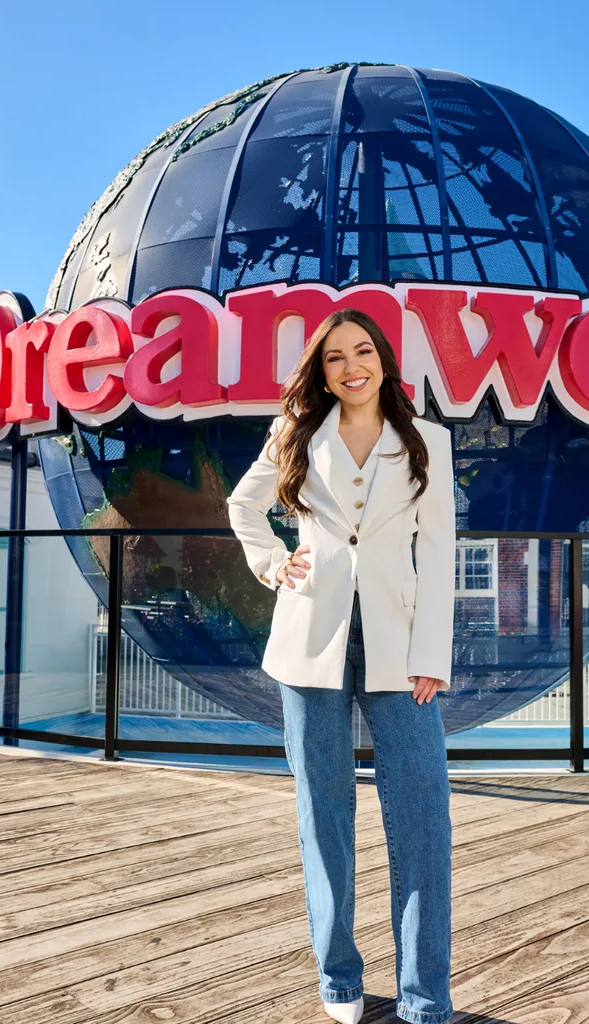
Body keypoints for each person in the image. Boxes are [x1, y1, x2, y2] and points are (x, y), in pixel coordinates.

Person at [226, 308, 456, 1024]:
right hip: (306, 643)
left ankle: (425, 996)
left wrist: (432, 653)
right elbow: (242, 506)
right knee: (323, 814)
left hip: (403, 649)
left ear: (383, 359)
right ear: (321, 373)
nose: (351, 366)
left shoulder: (429, 441)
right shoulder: (294, 432)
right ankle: (339, 981)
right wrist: (273, 564)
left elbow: (439, 550)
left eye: (362, 352)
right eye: (333, 358)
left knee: (422, 816)